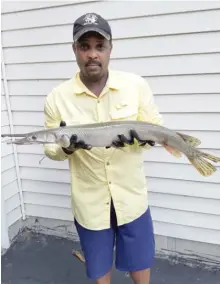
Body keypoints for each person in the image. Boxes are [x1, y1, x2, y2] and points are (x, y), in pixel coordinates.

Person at [44, 12, 163, 284]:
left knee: (140, 261)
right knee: (98, 267)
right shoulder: (56, 98)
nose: (92, 54)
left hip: (131, 197)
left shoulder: (135, 86)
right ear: (74, 50)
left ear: (110, 48)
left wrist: (144, 138)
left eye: (100, 46)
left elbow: (155, 126)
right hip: (90, 203)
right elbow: (50, 150)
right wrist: (66, 149)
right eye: (84, 47)